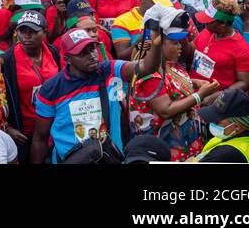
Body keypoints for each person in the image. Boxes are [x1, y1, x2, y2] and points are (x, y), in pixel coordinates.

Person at [31, 26, 164, 164]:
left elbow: (147, 67)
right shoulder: (51, 89)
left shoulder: (108, 71)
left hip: (110, 158)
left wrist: (156, 38)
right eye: (83, 53)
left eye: (92, 49)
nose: (92, 56)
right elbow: (40, 139)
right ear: (67, 59)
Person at [129, 8, 219, 161]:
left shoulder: (170, 64)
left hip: (185, 144)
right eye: (175, 43)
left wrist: (194, 83)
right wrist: (200, 95)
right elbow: (165, 110)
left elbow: (173, 84)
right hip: (165, 150)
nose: (180, 47)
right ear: (156, 45)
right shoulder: (150, 74)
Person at [0, 11, 58, 142]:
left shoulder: (53, 52)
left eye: (33, 31)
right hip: (24, 132)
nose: (27, 35)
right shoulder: (8, 60)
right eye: (22, 31)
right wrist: (7, 128)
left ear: (45, 32)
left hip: (54, 125)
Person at [191, 0, 249, 96]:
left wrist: (218, 96)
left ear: (223, 23)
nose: (204, 23)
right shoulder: (206, 32)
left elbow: (245, 82)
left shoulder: (242, 49)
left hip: (213, 103)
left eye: (209, 21)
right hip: (191, 94)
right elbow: (192, 53)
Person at [194, 89, 249, 163]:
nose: (211, 122)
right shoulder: (240, 139)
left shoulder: (226, 154)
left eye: (217, 121)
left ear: (237, 127)